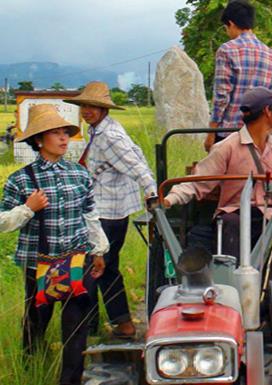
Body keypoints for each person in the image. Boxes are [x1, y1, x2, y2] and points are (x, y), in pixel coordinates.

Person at [0, 104, 108, 385]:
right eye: (55, 133)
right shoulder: (20, 179)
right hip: (39, 264)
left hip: (76, 260)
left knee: (76, 327)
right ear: (39, 140)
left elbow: (89, 214)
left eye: (65, 133)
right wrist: (27, 208)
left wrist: (98, 251)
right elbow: (2, 222)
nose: (63, 139)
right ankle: (30, 366)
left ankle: (70, 380)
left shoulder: (79, 174)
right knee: (36, 321)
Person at [164, 87, 272, 280]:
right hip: (234, 213)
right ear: (267, 112)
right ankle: (230, 292)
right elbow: (198, 182)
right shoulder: (227, 147)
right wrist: (168, 200)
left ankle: (270, 304)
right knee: (230, 225)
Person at [65, 81, 157, 339]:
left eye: (93, 106)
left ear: (104, 109)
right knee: (104, 267)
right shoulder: (100, 130)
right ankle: (114, 323)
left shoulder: (108, 135)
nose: (87, 111)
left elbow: (136, 164)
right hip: (108, 209)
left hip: (108, 212)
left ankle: (104, 326)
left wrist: (152, 192)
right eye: (84, 105)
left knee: (97, 268)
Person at [204, 0, 272, 152]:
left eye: (226, 28)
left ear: (230, 23)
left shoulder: (226, 50)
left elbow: (221, 96)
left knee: (228, 176)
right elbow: (271, 96)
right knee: (256, 175)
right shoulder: (270, 53)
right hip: (259, 132)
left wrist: (211, 132)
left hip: (229, 133)